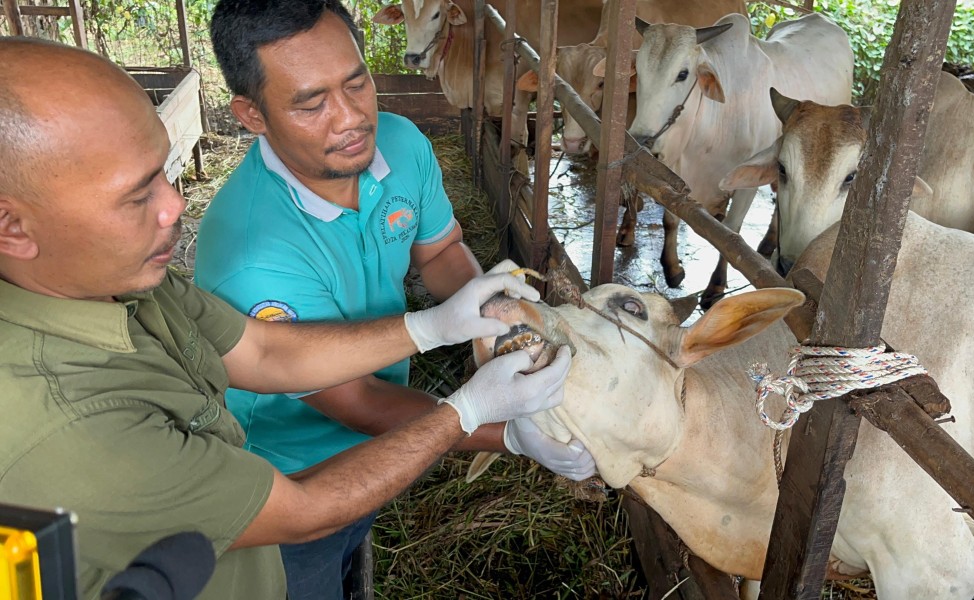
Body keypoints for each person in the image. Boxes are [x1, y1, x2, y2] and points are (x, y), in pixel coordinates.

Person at [0, 37, 574, 600]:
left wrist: (430, 327)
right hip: (284, 512)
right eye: (135, 195)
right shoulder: (66, 418)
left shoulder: (125, 284)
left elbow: (267, 352)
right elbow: (303, 511)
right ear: (11, 228)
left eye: (165, 171)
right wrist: (478, 417)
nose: (175, 206)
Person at [194, 2, 595, 596]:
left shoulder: (402, 146)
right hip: (291, 473)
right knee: (309, 572)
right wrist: (504, 430)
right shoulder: (253, 255)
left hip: (389, 437)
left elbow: (438, 252)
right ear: (252, 114)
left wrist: (498, 321)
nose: (351, 117)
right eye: (311, 103)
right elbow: (354, 400)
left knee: (358, 551)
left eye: (357, 83)